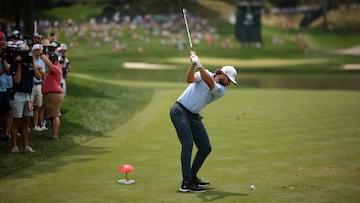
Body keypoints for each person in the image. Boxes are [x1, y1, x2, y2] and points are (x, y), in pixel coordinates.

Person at [170, 51, 237, 193]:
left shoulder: (221, 90)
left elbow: (210, 83)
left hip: (193, 116)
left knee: (205, 147)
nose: (229, 83)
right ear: (222, 74)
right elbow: (189, 80)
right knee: (187, 145)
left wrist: (199, 64)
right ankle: (186, 182)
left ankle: (192, 177)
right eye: (229, 79)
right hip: (179, 111)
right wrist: (193, 65)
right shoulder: (204, 73)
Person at [10, 42, 42, 153]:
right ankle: (14, 146)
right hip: (18, 95)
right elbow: (17, 80)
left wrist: (32, 64)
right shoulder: (15, 65)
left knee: (26, 122)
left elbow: (38, 77)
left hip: (29, 96)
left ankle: (26, 146)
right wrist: (18, 63)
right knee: (16, 121)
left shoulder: (29, 64)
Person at [40, 52, 63, 141]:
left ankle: (55, 136)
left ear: (57, 61)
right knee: (53, 115)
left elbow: (49, 65)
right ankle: (54, 135)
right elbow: (46, 77)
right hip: (51, 95)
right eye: (52, 60)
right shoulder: (52, 71)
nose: (53, 62)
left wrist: (42, 54)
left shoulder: (56, 68)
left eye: (54, 60)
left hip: (54, 94)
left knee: (55, 115)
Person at [31, 44, 47, 131]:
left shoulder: (41, 62)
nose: (40, 52)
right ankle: (31, 125)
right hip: (32, 84)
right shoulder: (30, 60)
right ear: (34, 51)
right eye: (38, 50)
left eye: (40, 50)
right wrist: (36, 67)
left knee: (38, 105)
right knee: (30, 106)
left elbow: (44, 75)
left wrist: (39, 69)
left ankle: (36, 125)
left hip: (39, 85)